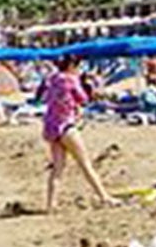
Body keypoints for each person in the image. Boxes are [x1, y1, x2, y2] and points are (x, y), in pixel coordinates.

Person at [42, 57, 116, 212]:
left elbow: (47, 99)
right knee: (85, 164)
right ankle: (104, 197)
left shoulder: (53, 79)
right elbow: (83, 98)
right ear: (71, 65)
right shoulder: (70, 79)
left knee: (57, 169)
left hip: (52, 128)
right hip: (67, 126)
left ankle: (50, 204)